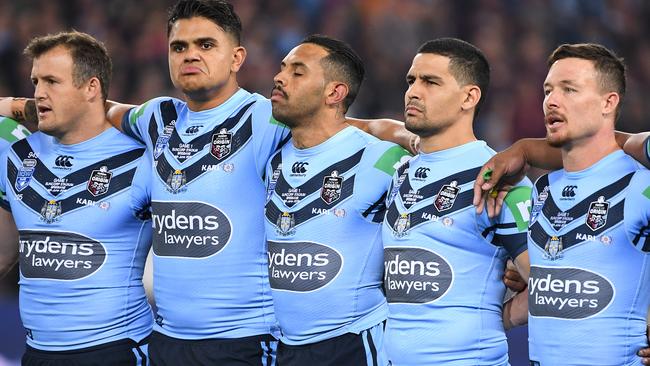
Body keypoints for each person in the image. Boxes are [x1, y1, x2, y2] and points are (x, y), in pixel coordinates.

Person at [0, 31, 152, 365]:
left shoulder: (142, 158)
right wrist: (13, 106)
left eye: (52, 81)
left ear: (91, 88)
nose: (39, 92)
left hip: (116, 350)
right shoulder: (15, 151)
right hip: (37, 352)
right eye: (35, 81)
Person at [380, 38, 530, 365]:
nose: (413, 91)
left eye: (431, 82)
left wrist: (507, 317)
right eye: (411, 80)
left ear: (469, 97)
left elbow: (553, 283)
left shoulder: (497, 178)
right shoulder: (399, 169)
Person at [264, 34, 409, 366]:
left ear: (335, 92)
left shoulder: (381, 158)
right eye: (282, 68)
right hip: (284, 346)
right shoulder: (270, 152)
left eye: (297, 72)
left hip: (354, 343)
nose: (279, 77)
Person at [512, 43, 649, 365]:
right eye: (548, 90)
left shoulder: (639, 186)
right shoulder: (541, 188)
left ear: (608, 102)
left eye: (569, 89)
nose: (552, 101)